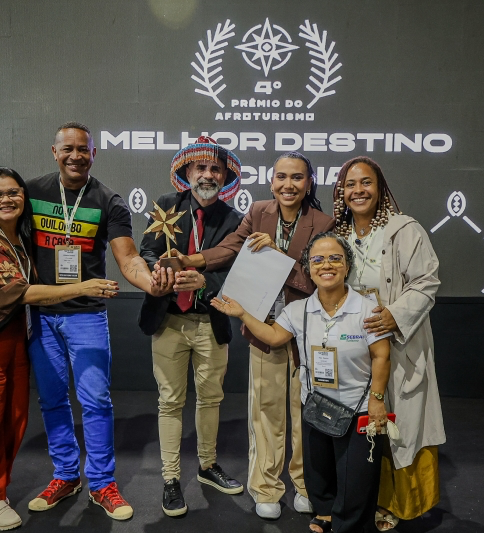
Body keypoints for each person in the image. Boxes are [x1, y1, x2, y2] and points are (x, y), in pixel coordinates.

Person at [0, 122, 170, 522]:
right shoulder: (30, 192)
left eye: (83, 149)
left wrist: (151, 283)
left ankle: (102, 483)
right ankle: (66, 475)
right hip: (40, 316)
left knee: (96, 401)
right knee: (52, 401)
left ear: (93, 153)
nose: (75, 156)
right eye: (68, 149)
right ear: (54, 152)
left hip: (87, 317)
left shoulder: (109, 201)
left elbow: (129, 257)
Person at [0, 167, 119, 530]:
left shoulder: (21, 233)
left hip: (12, 334)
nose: (6, 200)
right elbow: (19, 292)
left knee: (13, 416)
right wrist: (84, 286)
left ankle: (90, 484)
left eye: (13, 193)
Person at [176, 152, 334, 519]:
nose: (288, 185)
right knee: (265, 412)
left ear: (309, 182)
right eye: (281, 177)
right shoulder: (260, 212)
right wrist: (191, 260)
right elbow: (231, 247)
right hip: (264, 327)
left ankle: (305, 485)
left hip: (308, 333)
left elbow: (320, 279)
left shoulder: (324, 223)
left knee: (305, 414)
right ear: (271, 181)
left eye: (297, 177)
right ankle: (266, 487)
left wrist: (280, 257)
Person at [211, 232, 392, 533]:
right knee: (318, 472)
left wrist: (377, 399)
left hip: (358, 408)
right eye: (317, 260)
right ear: (308, 268)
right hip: (316, 405)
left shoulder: (366, 309)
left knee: (357, 477)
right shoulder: (298, 310)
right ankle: (327, 514)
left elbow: (381, 356)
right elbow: (273, 336)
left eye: (335, 258)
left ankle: (350, 526)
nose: (326, 265)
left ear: (347, 266)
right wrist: (242, 313)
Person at [331, 156, 446, 531]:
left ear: (379, 188)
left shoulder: (403, 229)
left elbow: (427, 281)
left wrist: (395, 315)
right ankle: (361, 501)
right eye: (350, 184)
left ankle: (396, 505)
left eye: (366, 183)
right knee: (360, 424)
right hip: (355, 346)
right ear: (341, 192)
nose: (358, 190)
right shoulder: (339, 234)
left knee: (399, 425)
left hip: (398, 342)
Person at [138, 136, 245, 516]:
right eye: (201, 167)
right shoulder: (166, 206)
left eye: (216, 169)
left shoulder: (235, 220)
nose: (208, 174)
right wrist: (158, 270)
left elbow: (237, 273)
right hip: (168, 319)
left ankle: (207, 465)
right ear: (187, 171)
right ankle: (170, 478)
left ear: (225, 176)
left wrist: (205, 282)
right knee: (170, 401)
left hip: (210, 321)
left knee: (211, 399)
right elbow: (146, 251)